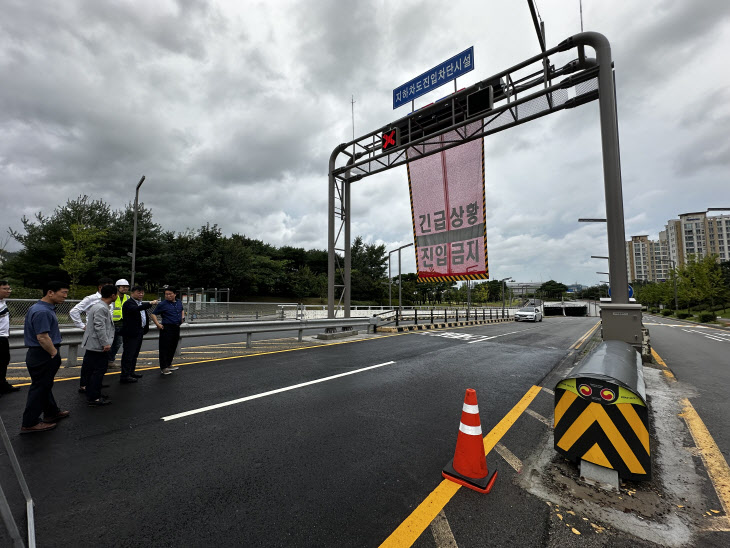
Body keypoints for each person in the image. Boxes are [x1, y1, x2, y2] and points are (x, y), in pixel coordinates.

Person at [20, 281, 71, 434]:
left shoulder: (40, 308)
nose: (65, 296)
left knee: (44, 385)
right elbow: (42, 337)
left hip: (40, 353)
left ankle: (51, 412)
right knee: (39, 388)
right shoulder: (42, 311)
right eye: (63, 292)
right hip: (43, 354)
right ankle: (30, 423)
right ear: (50, 292)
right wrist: (54, 353)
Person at [79, 285, 117, 405]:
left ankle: (93, 393)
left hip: (93, 344)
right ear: (112, 295)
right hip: (97, 345)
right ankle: (94, 397)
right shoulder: (101, 308)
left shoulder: (99, 306)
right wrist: (105, 343)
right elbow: (99, 326)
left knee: (91, 370)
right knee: (98, 370)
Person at [119, 285, 157, 384]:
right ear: (132, 293)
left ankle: (131, 372)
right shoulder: (129, 303)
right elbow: (136, 309)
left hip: (139, 331)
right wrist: (150, 303)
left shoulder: (140, 303)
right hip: (130, 333)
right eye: (138, 292)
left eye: (142, 292)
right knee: (128, 354)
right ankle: (125, 375)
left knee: (135, 354)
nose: (141, 294)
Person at [151, 286, 185, 375]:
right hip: (166, 327)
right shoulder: (163, 304)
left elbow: (182, 310)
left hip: (176, 327)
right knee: (164, 348)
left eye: (170, 294)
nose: (168, 296)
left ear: (175, 294)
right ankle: (163, 367)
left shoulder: (178, 302)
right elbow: (153, 314)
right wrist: (158, 324)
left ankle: (169, 364)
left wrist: (182, 318)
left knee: (173, 346)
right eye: (166, 294)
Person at [0, 280, 20, 395]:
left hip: (3, 337)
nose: (9, 291)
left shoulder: (3, 301)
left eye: (9, 288)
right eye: (5, 289)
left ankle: (2, 385)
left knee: (3, 362)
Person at [107, 278, 130, 367]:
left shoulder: (127, 298)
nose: (125, 288)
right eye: (123, 287)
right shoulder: (112, 297)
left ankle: (110, 360)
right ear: (117, 287)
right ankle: (106, 361)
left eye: (126, 287)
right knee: (108, 344)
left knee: (117, 344)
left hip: (122, 325)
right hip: (112, 325)